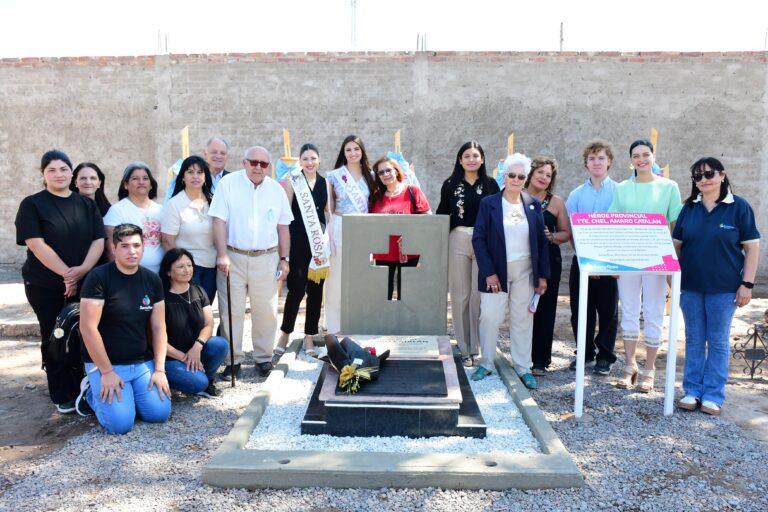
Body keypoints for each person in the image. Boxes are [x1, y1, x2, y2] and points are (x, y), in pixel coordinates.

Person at [15, 149, 105, 414]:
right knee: (55, 334)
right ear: (43, 174)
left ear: (71, 173)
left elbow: (98, 240)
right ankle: (60, 391)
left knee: (85, 333)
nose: (59, 174)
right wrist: (68, 274)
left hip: (85, 281)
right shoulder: (32, 204)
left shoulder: (86, 204)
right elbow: (36, 244)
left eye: (64, 169)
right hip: (45, 284)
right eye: (52, 169)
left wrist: (82, 271)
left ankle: (83, 386)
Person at [673, 157, 760, 416]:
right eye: (697, 177)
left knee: (719, 341)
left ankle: (713, 395)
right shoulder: (689, 208)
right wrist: (671, 278)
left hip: (724, 288)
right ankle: (692, 391)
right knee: (695, 339)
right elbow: (676, 246)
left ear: (722, 175)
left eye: (709, 174)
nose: (703, 180)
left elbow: (752, 248)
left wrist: (747, 284)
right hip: (690, 287)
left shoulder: (739, 207)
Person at [76, 224, 172, 433]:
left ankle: (126, 398)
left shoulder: (152, 279)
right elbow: (88, 329)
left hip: (141, 362)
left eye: (137, 245)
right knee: (119, 425)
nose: (132, 251)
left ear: (144, 247)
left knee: (159, 414)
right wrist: (107, 372)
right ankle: (90, 394)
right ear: (113, 247)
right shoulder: (99, 278)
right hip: (107, 364)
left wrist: (160, 369)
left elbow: (158, 326)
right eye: (125, 246)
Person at [210, 146, 293, 379]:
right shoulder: (228, 184)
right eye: (253, 162)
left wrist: (284, 259)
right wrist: (222, 254)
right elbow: (218, 221)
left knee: (266, 311)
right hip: (233, 256)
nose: (258, 167)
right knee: (231, 311)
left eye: (263, 164)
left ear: (269, 167)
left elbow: (283, 227)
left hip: (267, 257)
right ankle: (232, 360)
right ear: (244, 162)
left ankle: (263, 358)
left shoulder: (276, 191)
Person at [609, 140, 682, 392]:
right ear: (630, 160)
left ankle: (649, 369)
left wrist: (673, 259)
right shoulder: (621, 188)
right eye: (636, 156)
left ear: (653, 156)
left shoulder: (669, 187)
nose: (641, 159)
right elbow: (613, 223)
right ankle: (630, 366)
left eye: (645, 155)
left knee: (654, 312)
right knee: (628, 310)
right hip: (629, 257)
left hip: (657, 257)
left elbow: (677, 225)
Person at [472, 153, 549, 389]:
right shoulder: (489, 203)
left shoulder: (533, 204)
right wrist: (489, 272)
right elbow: (479, 239)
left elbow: (541, 242)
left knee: (522, 319)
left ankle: (523, 367)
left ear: (526, 179)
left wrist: (543, 276)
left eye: (521, 176)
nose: (516, 179)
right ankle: (486, 363)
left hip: (526, 269)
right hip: (496, 270)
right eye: (512, 175)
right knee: (490, 316)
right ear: (504, 176)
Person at [436, 141, 500, 367]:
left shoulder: (492, 185)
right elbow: (442, 213)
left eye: (475, 155)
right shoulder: (451, 184)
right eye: (466, 156)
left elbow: (497, 217)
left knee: (477, 294)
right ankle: (464, 348)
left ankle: (477, 345)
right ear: (460, 160)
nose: (471, 159)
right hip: (458, 238)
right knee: (460, 294)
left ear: (482, 159)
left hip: (483, 242)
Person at [565, 140, 619, 376]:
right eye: (592, 158)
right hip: (582, 263)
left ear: (609, 161)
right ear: (586, 163)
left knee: (608, 311)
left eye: (601, 158)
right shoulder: (576, 195)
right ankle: (584, 353)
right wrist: (586, 260)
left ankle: (605, 356)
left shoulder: (620, 192)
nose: (596, 162)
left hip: (610, 264)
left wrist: (612, 263)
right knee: (580, 310)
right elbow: (570, 231)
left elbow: (624, 229)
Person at [275, 144, 329, 358]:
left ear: (319, 160)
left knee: (316, 292)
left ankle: (309, 336)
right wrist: (283, 250)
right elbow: (285, 217)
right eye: (305, 159)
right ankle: (285, 333)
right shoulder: (293, 182)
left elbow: (329, 213)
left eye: (313, 158)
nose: (309, 162)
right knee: (296, 290)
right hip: (297, 242)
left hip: (318, 244)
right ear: (300, 161)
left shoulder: (326, 183)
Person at [159, 248, 229, 398]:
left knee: (221, 344)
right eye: (180, 267)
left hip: (194, 350)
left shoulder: (198, 290)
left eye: (189, 265)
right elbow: (156, 338)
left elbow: (209, 324)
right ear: (168, 272)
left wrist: (197, 347)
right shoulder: (162, 297)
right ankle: (179, 380)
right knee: (198, 382)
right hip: (170, 357)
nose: (187, 270)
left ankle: (206, 379)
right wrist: (185, 357)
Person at [524, 157, 571, 376]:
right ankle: (521, 356)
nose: (544, 177)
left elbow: (565, 233)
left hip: (548, 260)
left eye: (548, 174)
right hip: (521, 259)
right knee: (521, 308)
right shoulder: (516, 195)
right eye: (540, 172)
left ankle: (540, 360)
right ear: (531, 173)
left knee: (544, 309)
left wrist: (551, 237)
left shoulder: (556, 202)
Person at [325, 135, 376, 335]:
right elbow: (327, 208)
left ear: (362, 151)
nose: (353, 153)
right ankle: (335, 328)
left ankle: (360, 324)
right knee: (335, 278)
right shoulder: (334, 176)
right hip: (339, 225)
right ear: (343, 153)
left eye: (356, 149)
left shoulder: (371, 176)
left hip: (363, 228)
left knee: (361, 278)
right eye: (348, 150)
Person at [161, 155, 217, 302]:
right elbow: (167, 241)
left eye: (200, 172)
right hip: (187, 268)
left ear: (205, 176)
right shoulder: (174, 204)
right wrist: (178, 268)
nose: (195, 176)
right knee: (191, 312)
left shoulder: (214, 201)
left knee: (206, 310)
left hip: (212, 266)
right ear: (183, 177)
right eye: (190, 172)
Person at [103, 162, 164, 273]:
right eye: (135, 178)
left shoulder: (162, 210)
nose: (141, 182)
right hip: (130, 275)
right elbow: (110, 248)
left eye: (145, 178)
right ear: (126, 184)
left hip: (160, 275)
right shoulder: (117, 210)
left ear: (151, 184)